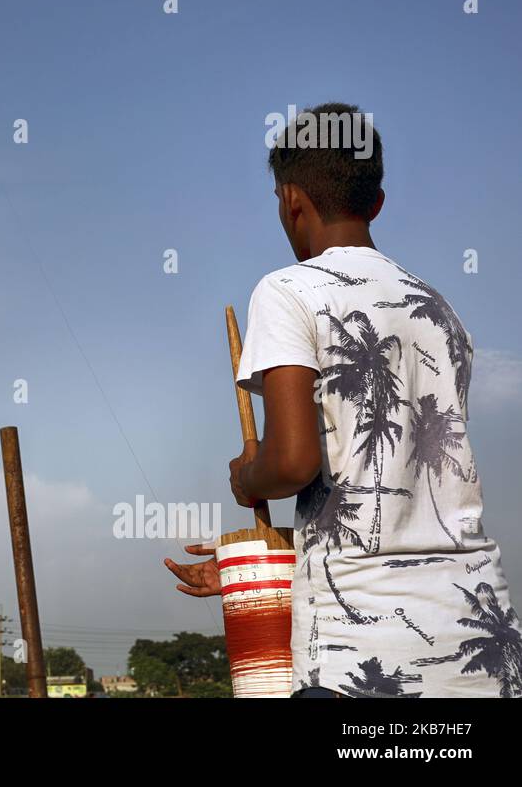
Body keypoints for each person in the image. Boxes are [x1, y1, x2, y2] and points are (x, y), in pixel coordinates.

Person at [165, 104, 519, 697]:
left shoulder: (287, 290)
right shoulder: (441, 312)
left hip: (360, 658)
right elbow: (394, 488)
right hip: (485, 646)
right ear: (376, 202)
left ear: (290, 200)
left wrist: (249, 476)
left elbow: (294, 464)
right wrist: (253, 570)